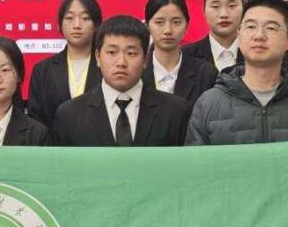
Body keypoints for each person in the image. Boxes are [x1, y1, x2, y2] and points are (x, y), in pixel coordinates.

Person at [186, 0, 288, 145]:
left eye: (271, 28)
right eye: (251, 26)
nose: (259, 35)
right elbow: (195, 161)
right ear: (239, 36)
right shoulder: (208, 103)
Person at [51, 15, 187, 147]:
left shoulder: (175, 111)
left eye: (131, 53)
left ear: (145, 59)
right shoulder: (70, 114)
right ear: (97, 57)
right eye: (112, 52)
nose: (121, 62)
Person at [27, 0, 103, 128]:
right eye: (69, 18)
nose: (77, 25)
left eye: (85, 18)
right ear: (60, 25)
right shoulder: (43, 70)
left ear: (96, 25)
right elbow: (36, 119)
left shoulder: (107, 66)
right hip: (54, 140)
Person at [141, 0, 218, 112]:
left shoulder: (206, 74)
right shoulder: (136, 72)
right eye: (159, 22)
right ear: (147, 26)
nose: (168, 30)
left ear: (186, 26)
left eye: (176, 22)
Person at [182, 0, 245, 72]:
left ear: (244, 8)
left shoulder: (257, 52)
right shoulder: (185, 56)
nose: (224, 14)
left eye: (232, 6)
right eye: (215, 6)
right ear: (204, 10)